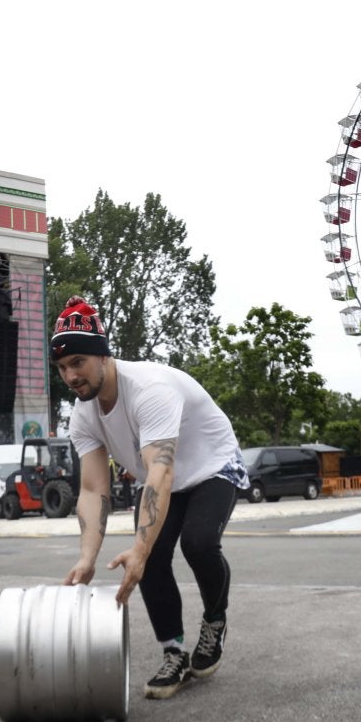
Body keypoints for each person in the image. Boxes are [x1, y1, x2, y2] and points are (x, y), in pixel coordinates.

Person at [53, 296, 247, 699]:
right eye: (62, 367)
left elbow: (161, 471)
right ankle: (174, 653)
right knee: (152, 557)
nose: (70, 376)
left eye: (78, 362)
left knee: (197, 543)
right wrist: (87, 558)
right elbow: (93, 489)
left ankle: (214, 620)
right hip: (161, 475)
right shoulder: (83, 415)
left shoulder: (149, 389)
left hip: (212, 465)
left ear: (103, 356)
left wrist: (140, 549)